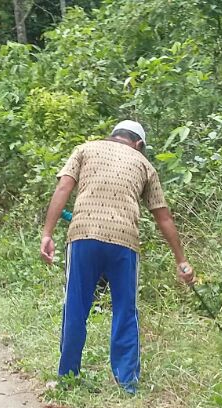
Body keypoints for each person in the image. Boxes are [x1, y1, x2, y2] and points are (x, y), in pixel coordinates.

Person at [39, 121, 194, 393]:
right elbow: (163, 217)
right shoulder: (145, 165)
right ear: (139, 145)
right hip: (124, 241)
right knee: (125, 311)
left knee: (76, 307)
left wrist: (47, 234)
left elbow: (63, 188)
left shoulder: (85, 149)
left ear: (114, 136)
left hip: (83, 235)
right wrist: (181, 261)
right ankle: (127, 384)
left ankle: (68, 378)